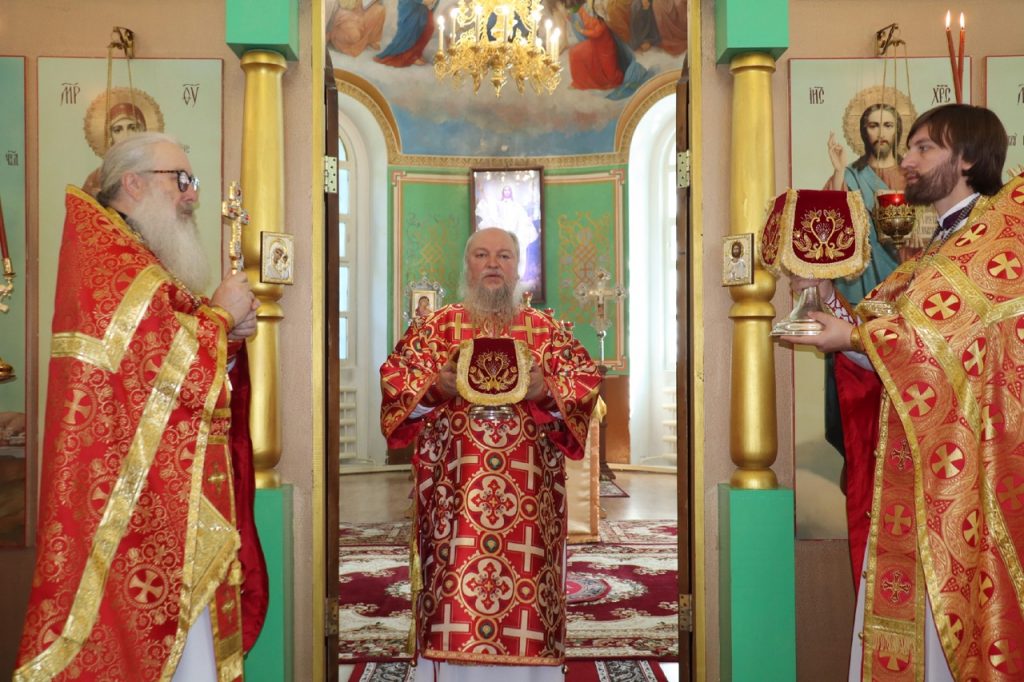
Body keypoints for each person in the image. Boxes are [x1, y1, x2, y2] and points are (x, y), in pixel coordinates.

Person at [783, 104, 1023, 680]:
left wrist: (853, 335)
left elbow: (938, 342)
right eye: (908, 146)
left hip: (964, 476)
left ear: (967, 159)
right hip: (914, 474)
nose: (906, 161)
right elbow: (883, 331)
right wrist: (823, 297)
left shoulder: (994, 242)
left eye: (923, 148)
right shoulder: (941, 245)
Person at [15, 132, 267, 681]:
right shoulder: (111, 259)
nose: (191, 195)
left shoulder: (137, 254)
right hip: (127, 504)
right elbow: (155, 366)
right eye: (181, 180)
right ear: (132, 183)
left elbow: (170, 370)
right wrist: (221, 318)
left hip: (164, 498)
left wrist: (226, 338)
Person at [380, 227, 602, 680]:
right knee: (452, 600)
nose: (493, 264)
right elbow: (395, 389)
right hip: (454, 503)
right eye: (482, 255)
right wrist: (435, 388)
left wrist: (546, 391)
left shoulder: (546, 331)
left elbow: (583, 391)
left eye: (504, 255)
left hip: (530, 508)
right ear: (467, 266)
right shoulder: (436, 328)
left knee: (528, 605)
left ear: (519, 267)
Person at [474, 186, 540, 281]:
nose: (507, 192)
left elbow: (522, 219)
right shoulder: (499, 205)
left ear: (511, 192)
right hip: (503, 232)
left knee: (517, 252)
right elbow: (495, 216)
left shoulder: (516, 206)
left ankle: (516, 275)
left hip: (515, 232)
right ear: (503, 192)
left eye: (508, 190)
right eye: (505, 190)